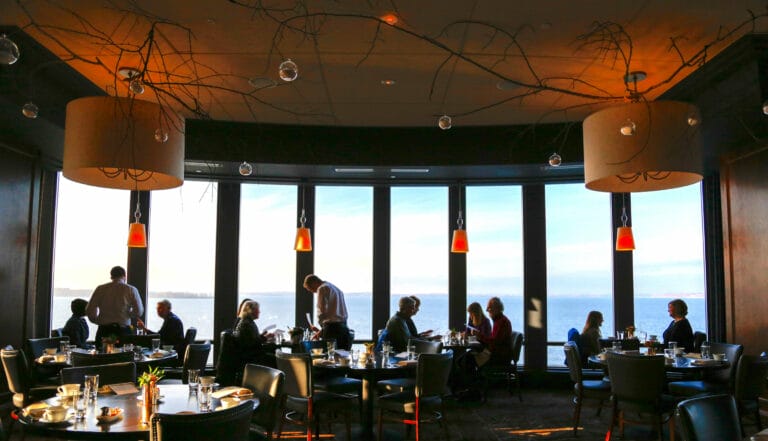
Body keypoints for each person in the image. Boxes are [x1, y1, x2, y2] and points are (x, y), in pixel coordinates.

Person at [86, 266, 144, 348]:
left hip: (104, 330)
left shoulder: (100, 289)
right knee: (124, 357)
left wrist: (97, 320)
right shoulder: (131, 289)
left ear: (111, 276)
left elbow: (89, 310)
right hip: (123, 330)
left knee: (102, 356)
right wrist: (127, 314)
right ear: (124, 276)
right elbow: (139, 311)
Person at [303, 274, 352, 350]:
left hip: (331, 331)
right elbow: (334, 315)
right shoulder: (336, 289)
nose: (313, 291)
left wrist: (323, 327)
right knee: (342, 356)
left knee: (329, 358)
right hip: (344, 328)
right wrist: (321, 331)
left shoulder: (322, 288)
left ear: (314, 283)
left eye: (310, 289)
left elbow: (322, 311)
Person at [234, 300, 274, 366]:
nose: (259, 311)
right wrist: (265, 337)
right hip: (251, 357)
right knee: (275, 358)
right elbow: (253, 343)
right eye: (257, 309)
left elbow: (251, 339)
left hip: (248, 355)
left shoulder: (246, 322)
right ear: (251, 311)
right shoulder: (247, 324)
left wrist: (263, 336)